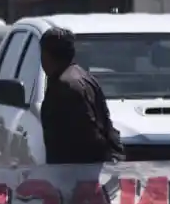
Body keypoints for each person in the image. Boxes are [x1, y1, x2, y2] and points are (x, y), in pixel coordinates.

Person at [38, 27, 125, 164]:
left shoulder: (65, 86)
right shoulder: (85, 78)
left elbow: (86, 136)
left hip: (75, 174)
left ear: (46, 55)